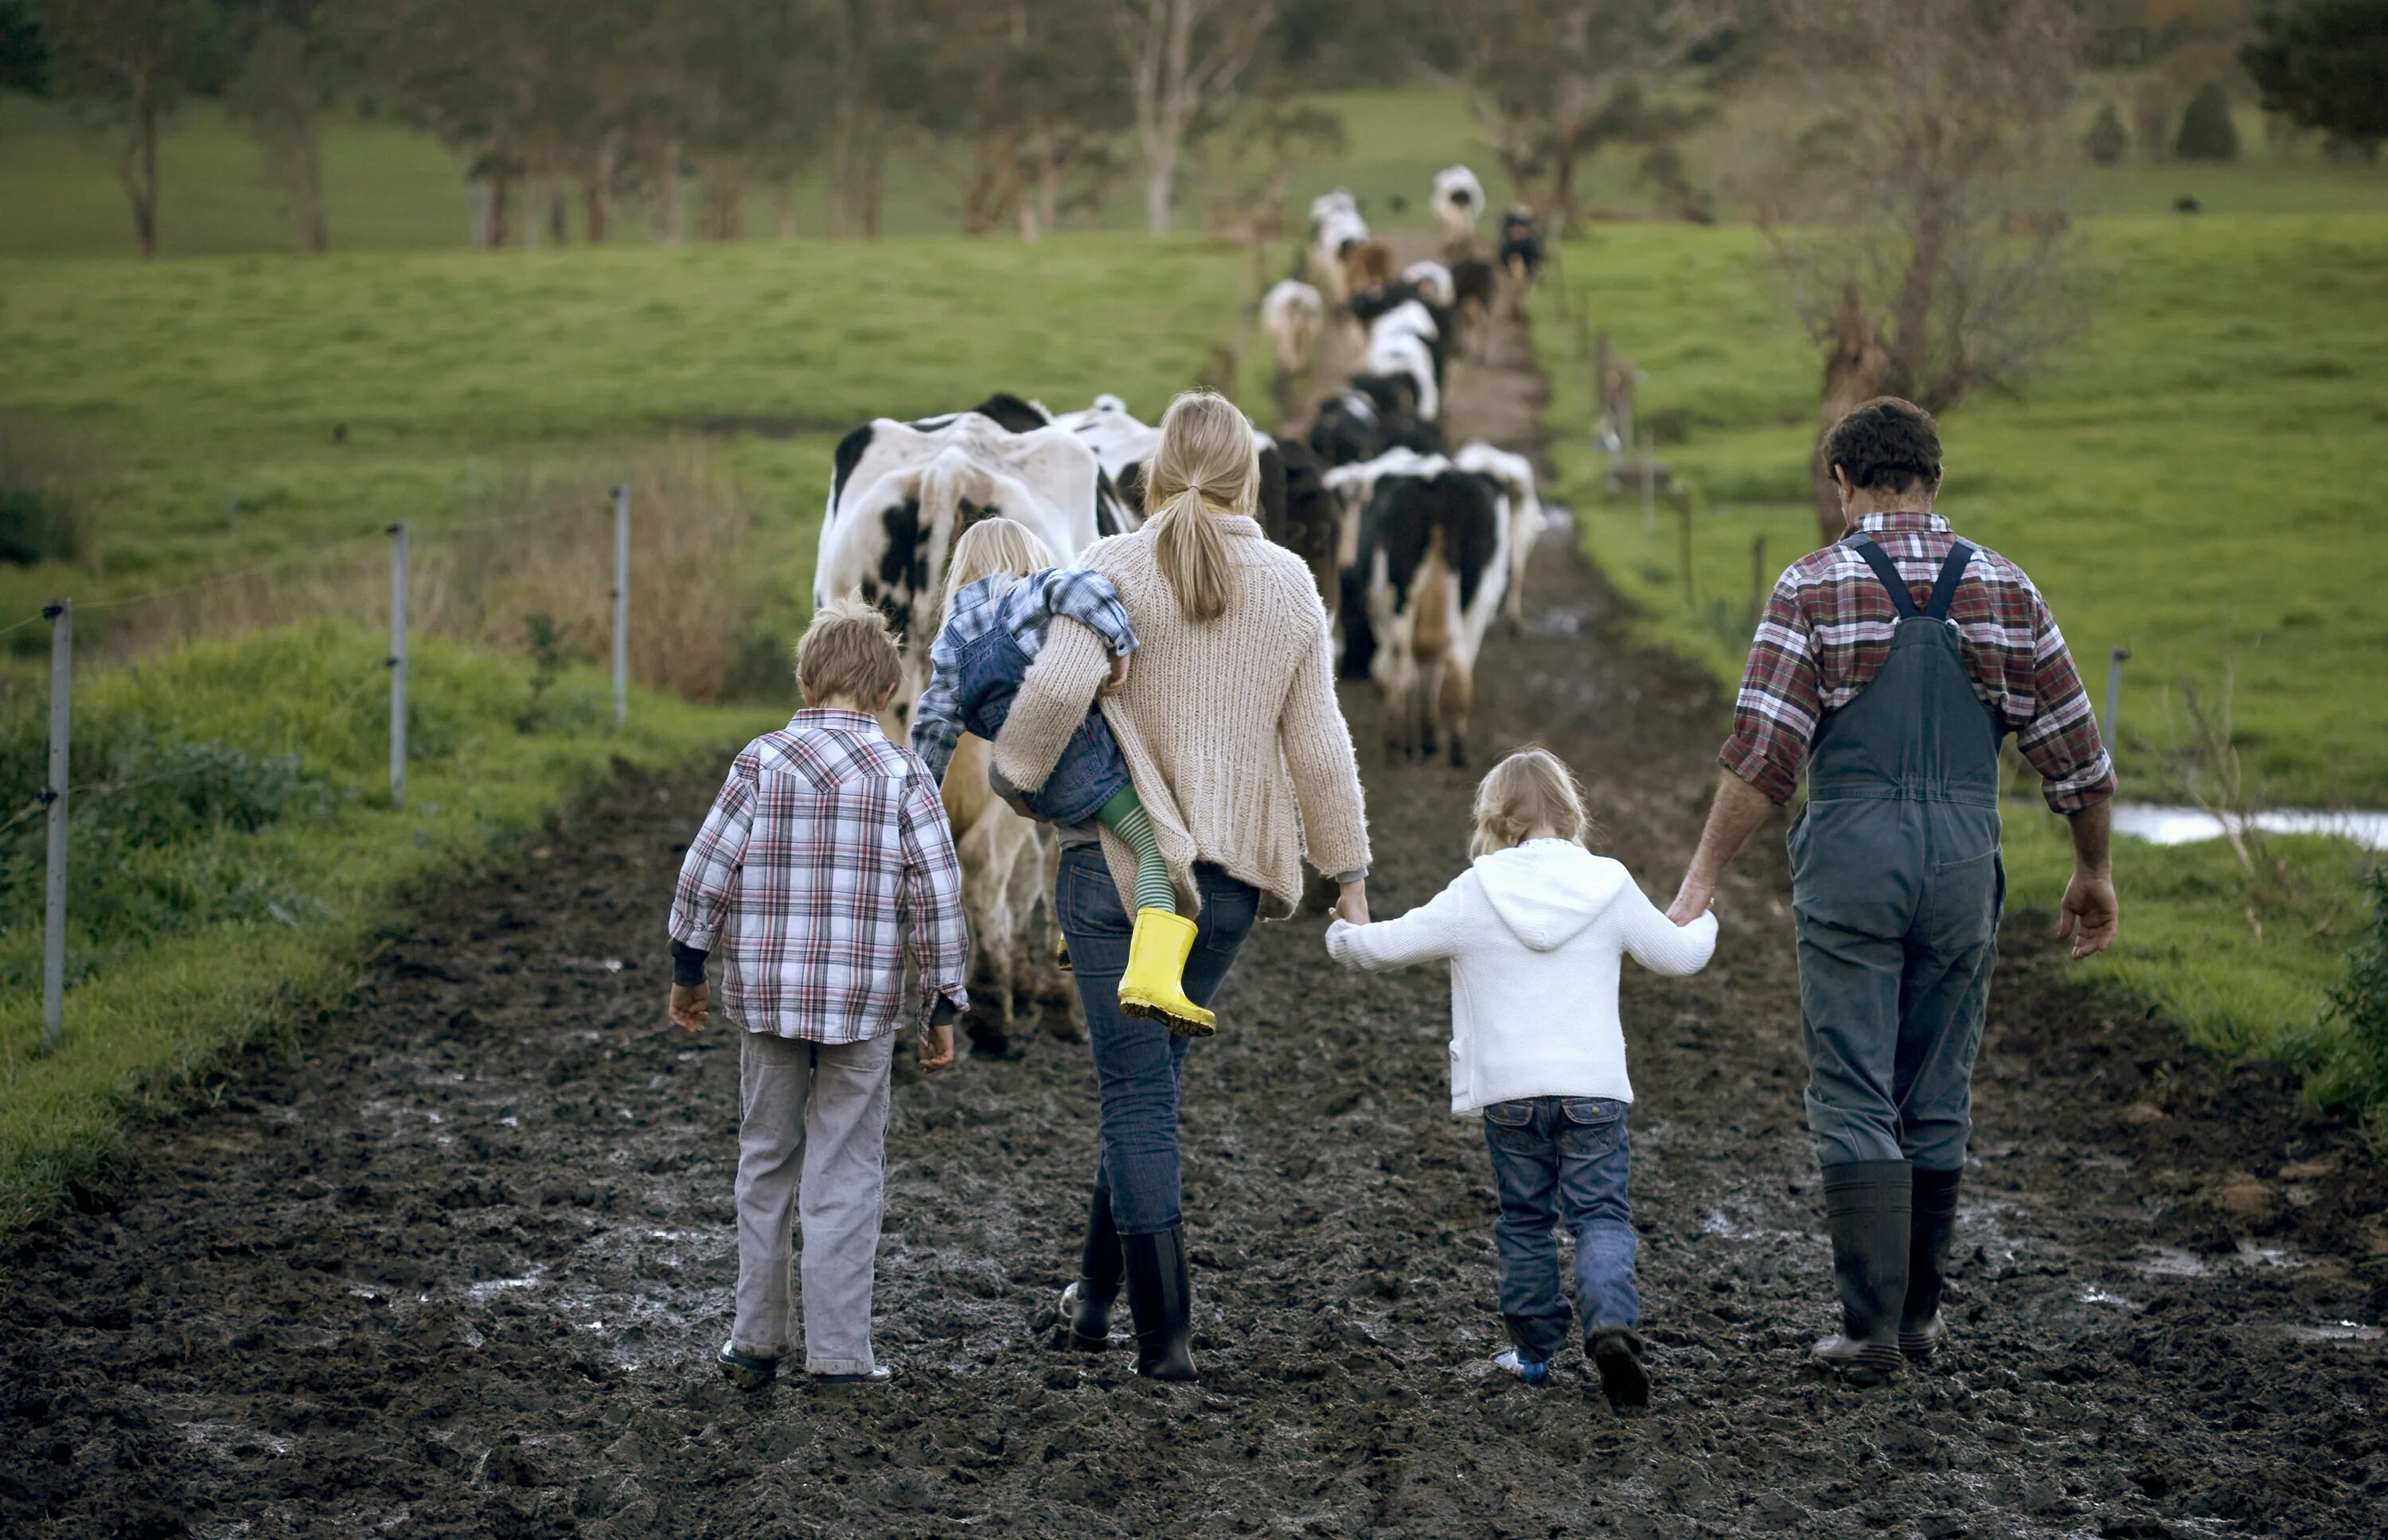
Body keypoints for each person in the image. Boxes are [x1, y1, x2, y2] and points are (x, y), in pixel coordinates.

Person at [1665, 397, 2119, 1384]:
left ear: (1842, 484)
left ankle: (1868, 1331)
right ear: (1934, 483)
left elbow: (1762, 760)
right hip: (1963, 860)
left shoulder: (1812, 586)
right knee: (1936, 1085)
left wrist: (1702, 878)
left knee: (1854, 1082)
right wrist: (2093, 870)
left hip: (1854, 860)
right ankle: (1918, 1320)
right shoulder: (2005, 587)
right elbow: (2081, 757)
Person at [989, 390, 1372, 1382]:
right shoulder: (1289, 584)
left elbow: (1054, 693)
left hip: (1118, 877)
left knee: (1135, 1101)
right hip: (1231, 889)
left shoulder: (1111, 567)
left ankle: (1166, 1345)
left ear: (1155, 473)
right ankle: (1092, 1306)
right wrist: (1350, 874)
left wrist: (1013, 776)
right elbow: (1320, 745)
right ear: (1250, 477)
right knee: (1146, 1090)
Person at [1324, 747, 1715, 1415]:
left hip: (1510, 1098)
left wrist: (1344, 930)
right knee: (1599, 1215)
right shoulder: (1610, 882)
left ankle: (1534, 1353)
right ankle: (1610, 1327)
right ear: (1569, 811)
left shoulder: (1475, 889)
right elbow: (1680, 956)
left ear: (1495, 817)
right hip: (1594, 1093)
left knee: (1526, 1221)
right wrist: (1704, 916)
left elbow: (1378, 947)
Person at [665, 596, 970, 1390]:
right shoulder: (905, 775)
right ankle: (840, 1356)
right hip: (863, 1012)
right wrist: (944, 1002)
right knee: (847, 1169)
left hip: (766, 1004)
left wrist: (688, 967)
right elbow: (938, 896)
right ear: (884, 691)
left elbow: (705, 869)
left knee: (766, 1161)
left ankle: (754, 1341)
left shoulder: (758, 765)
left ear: (804, 683)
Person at [911, 517, 1213, 1035]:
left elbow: (934, 723)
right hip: (1082, 757)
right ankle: (1154, 977)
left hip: (1025, 779)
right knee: (1152, 848)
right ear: (1024, 555)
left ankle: (1075, 934)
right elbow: (1080, 584)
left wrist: (917, 794)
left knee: (1084, 838)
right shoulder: (1025, 592)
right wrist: (1120, 646)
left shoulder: (950, 643)